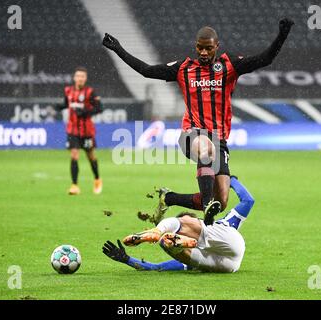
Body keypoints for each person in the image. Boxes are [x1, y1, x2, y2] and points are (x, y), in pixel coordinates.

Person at [102, 18, 293, 224]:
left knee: (222, 200)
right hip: (192, 134)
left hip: (219, 140)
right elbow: (147, 70)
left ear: (216, 47)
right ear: (196, 46)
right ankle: (207, 209)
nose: (203, 52)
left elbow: (264, 59)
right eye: (200, 48)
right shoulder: (183, 69)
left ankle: (169, 198)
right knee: (205, 149)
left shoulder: (229, 66)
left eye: (208, 48)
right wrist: (118, 49)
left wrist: (282, 35)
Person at [102, 176, 254, 273]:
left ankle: (159, 231)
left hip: (216, 262)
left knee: (168, 244)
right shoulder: (229, 221)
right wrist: (230, 180)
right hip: (232, 258)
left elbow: (157, 267)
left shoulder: (222, 224)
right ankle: (162, 232)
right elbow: (248, 200)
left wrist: (127, 260)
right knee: (170, 239)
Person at [58, 67, 103, 195]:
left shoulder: (90, 92)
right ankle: (74, 185)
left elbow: (100, 108)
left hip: (87, 131)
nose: (80, 78)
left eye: (82, 76)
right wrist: (59, 107)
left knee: (91, 156)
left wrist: (85, 112)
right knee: (74, 155)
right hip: (72, 129)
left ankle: (97, 179)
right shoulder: (68, 91)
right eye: (78, 76)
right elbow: (66, 104)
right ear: (74, 78)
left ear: (85, 78)